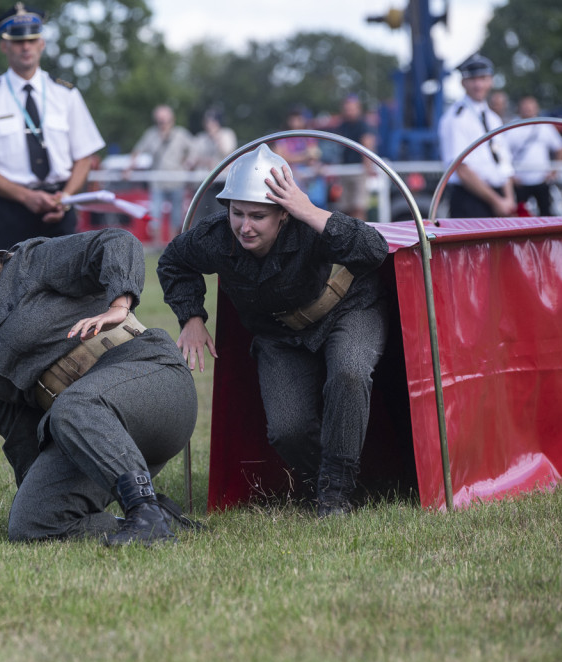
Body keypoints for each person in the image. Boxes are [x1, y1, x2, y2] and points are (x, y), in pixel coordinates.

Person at [0, 228, 199, 545]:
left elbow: (116, 242)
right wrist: (41, 493)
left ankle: (146, 516)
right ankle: (152, 516)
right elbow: (20, 439)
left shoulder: (29, 264)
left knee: (73, 406)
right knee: (31, 524)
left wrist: (119, 304)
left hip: (155, 385)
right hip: (92, 433)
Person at [156, 144, 389, 517]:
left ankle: (334, 497)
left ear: (283, 213)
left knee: (349, 371)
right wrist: (191, 317)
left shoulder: (309, 223)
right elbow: (173, 262)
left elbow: (374, 249)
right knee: (287, 430)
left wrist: (310, 211)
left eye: (258, 216)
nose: (245, 226)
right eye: (238, 213)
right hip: (279, 333)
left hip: (349, 309)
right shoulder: (216, 235)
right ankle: (334, 485)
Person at [0, 4, 105, 250]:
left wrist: (66, 198)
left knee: (67, 286)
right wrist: (26, 197)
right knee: (8, 286)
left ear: (42, 43)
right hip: (11, 210)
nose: (25, 47)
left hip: (60, 208)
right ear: (4, 46)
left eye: (32, 39)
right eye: (18, 41)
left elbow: (84, 157)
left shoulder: (66, 93)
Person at [437, 54, 516, 219]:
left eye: (483, 78)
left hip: (498, 198)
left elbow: (503, 162)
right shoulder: (455, 118)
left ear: (491, 81)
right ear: (463, 83)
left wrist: (509, 198)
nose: (478, 84)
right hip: (470, 200)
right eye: (473, 79)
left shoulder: (493, 118)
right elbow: (462, 170)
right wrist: (497, 201)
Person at [127, 104, 195, 246]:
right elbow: (137, 151)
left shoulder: (181, 134)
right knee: (155, 214)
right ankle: (157, 245)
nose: (162, 123)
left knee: (176, 215)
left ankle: (173, 244)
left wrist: (188, 164)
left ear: (172, 120)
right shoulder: (151, 134)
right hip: (157, 181)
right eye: (160, 120)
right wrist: (129, 168)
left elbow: (193, 150)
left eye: (164, 120)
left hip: (177, 180)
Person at [504, 95, 562, 217]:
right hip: (520, 181)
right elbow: (502, 153)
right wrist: (510, 175)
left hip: (541, 180)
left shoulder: (545, 126)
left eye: (531, 106)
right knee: (519, 215)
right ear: (519, 108)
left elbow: (561, 148)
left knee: (546, 214)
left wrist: (555, 170)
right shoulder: (511, 127)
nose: (528, 109)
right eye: (525, 106)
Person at [333, 95, 378, 220]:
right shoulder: (343, 125)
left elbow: (367, 144)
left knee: (358, 206)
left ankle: (359, 236)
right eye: (347, 108)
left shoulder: (363, 125)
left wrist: (367, 167)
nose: (349, 111)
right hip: (345, 170)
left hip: (358, 170)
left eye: (352, 108)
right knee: (345, 207)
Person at [273, 106, 327, 207]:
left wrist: (295, 158)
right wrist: (304, 157)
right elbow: (280, 157)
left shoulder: (309, 135)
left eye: (298, 117)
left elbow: (313, 156)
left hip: (308, 181)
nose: (295, 121)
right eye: (293, 117)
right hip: (291, 178)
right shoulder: (282, 136)